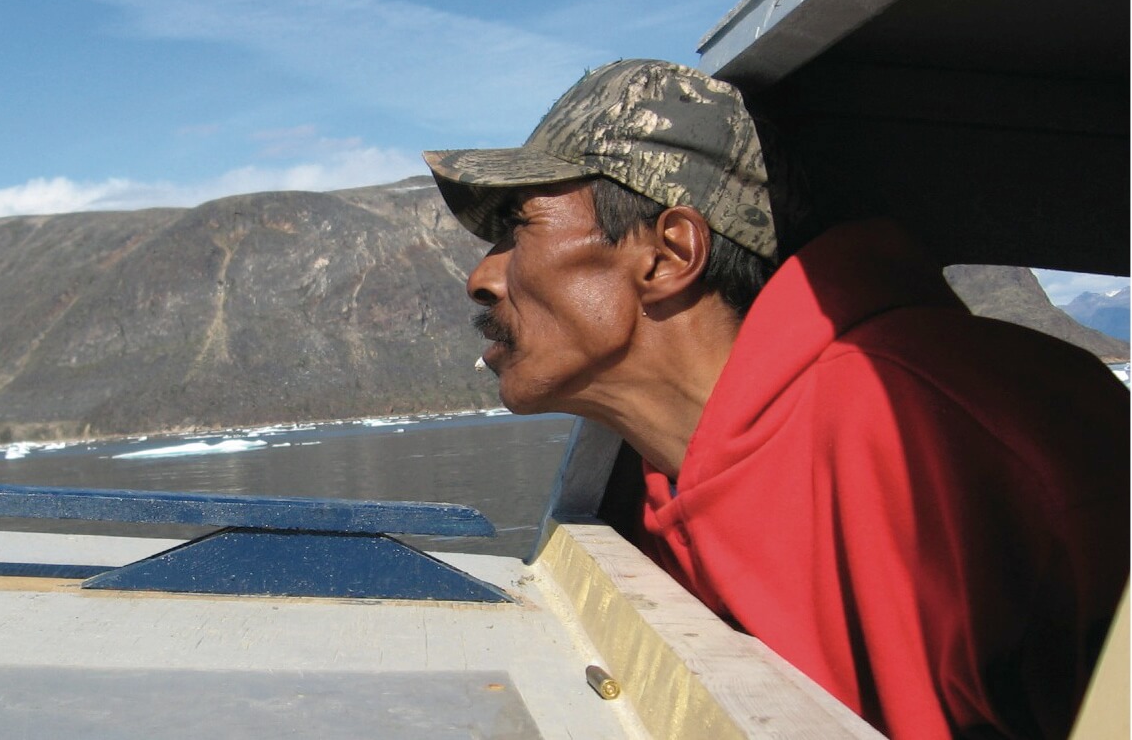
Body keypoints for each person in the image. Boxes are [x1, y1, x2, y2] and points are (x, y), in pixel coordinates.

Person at [423, 58, 1129, 740]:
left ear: (668, 256)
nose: (481, 279)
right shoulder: (646, 480)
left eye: (517, 228)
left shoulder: (969, 434)